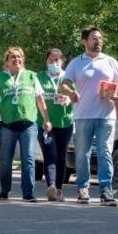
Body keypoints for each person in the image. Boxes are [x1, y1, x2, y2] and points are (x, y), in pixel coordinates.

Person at [60, 27, 118, 206]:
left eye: (100, 38)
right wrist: (71, 92)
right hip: (83, 115)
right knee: (82, 154)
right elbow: (64, 84)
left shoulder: (110, 61)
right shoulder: (76, 63)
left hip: (106, 116)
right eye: (94, 38)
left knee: (105, 152)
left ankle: (106, 191)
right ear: (84, 41)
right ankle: (83, 188)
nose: (98, 41)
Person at [0, 47, 51, 202]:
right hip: (6, 125)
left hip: (28, 124)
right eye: (13, 57)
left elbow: (40, 99)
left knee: (28, 159)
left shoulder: (31, 76)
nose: (16, 59)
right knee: (5, 160)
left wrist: (46, 119)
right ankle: (5, 190)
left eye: (19, 57)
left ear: (23, 59)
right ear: (7, 62)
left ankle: (28, 193)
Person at [36, 48, 74, 202]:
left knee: (61, 156)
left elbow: (76, 96)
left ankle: (59, 189)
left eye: (57, 60)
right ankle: (51, 186)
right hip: (45, 123)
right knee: (50, 154)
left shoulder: (68, 77)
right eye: (51, 60)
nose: (54, 63)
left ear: (62, 61)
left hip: (65, 123)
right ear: (46, 61)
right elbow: (35, 97)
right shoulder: (39, 77)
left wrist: (69, 99)